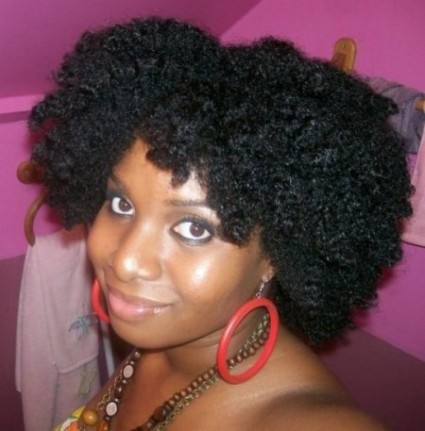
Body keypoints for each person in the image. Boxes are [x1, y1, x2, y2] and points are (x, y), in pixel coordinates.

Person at [29, 17, 411, 431]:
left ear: (276, 254)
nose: (125, 261)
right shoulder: (167, 336)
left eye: (194, 228)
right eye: (121, 204)